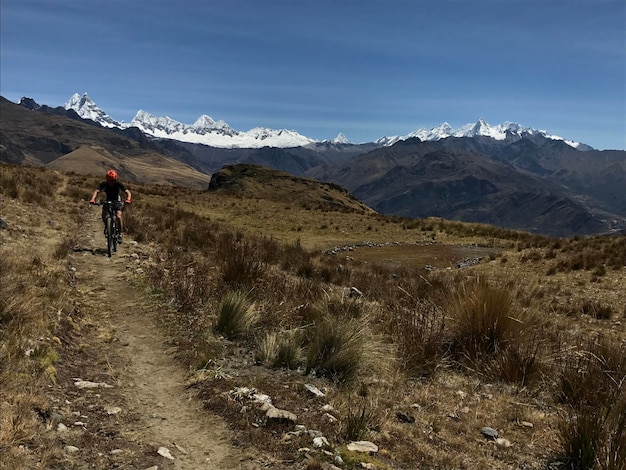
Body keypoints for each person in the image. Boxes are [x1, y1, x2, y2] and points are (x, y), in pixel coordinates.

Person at [89, 169, 131, 243]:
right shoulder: (104, 184)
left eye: (113, 181)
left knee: (118, 216)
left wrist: (128, 199)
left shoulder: (119, 184)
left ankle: (120, 234)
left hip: (117, 201)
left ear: (115, 179)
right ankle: (107, 227)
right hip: (107, 200)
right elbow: (97, 191)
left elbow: (128, 192)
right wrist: (93, 199)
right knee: (104, 215)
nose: (111, 182)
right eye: (109, 181)